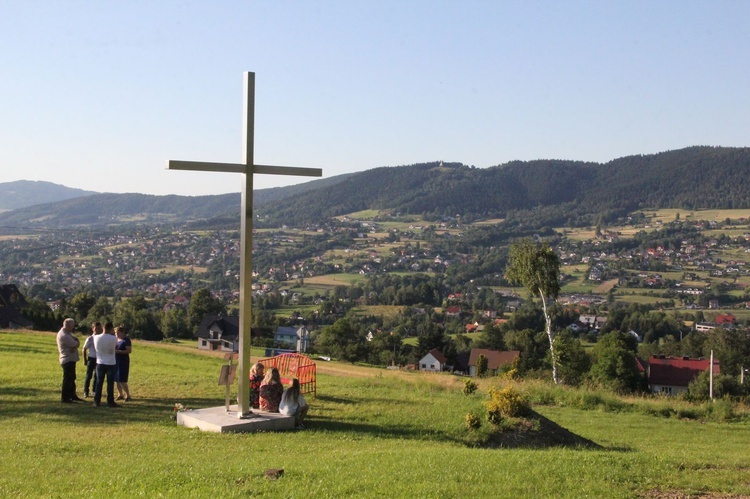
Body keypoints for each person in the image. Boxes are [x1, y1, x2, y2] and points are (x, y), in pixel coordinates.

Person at [93, 322, 119, 408]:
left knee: (99, 382)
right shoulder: (113, 338)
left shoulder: (96, 337)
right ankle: (110, 401)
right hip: (111, 362)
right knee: (110, 383)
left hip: (100, 362)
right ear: (111, 329)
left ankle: (97, 401)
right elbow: (116, 348)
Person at [56, 318, 82, 403]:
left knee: (72, 378)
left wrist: (75, 344)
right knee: (67, 379)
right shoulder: (64, 335)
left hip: (70, 359)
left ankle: (72, 395)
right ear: (69, 326)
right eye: (73, 326)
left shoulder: (67, 333)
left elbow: (74, 343)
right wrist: (77, 343)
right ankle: (65, 398)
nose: (73, 327)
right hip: (67, 359)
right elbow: (75, 343)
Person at [81, 322, 102, 398]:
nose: (98, 330)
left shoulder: (101, 338)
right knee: (88, 375)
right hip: (91, 358)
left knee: (97, 375)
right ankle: (86, 391)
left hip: (99, 359)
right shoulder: (90, 338)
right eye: (96, 328)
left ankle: (94, 390)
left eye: (99, 328)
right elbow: (84, 349)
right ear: (93, 329)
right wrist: (85, 360)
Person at [114, 326, 132, 401]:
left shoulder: (126, 340)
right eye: (115, 333)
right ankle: (120, 394)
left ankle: (128, 395)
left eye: (117, 333)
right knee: (117, 379)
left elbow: (129, 350)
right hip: (116, 360)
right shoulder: (116, 340)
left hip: (123, 361)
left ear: (121, 332)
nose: (116, 334)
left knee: (122, 379)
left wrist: (119, 352)